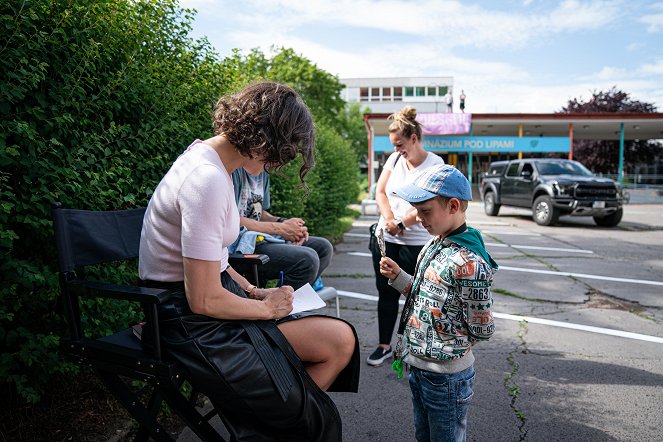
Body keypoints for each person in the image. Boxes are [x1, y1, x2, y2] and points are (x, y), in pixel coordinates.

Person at [138, 82, 359, 441]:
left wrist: (254, 290)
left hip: (208, 306)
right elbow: (203, 299)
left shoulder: (214, 165)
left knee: (340, 340)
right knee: (311, 415)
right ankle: (282, 421)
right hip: (187, 321)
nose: (279, 163)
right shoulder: (206, 179)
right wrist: (269, 310)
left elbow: (217, 260)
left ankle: (274, 421)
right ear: (263, 138)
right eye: (282, 153)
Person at [379, 164, 498, 442]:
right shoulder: (433, 244)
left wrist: (452, 345)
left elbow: (483, 328)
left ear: (453, 205)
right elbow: (423, 293)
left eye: (425, 210)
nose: (418, 218)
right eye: (417, 210)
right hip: (420, 368)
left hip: (447, 378)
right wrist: (398, 277)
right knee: (424, 435)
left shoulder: (469, 262)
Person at [367, 105, 445, 366]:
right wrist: (389, 219)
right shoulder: (395, 160)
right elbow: (380, 192)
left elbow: (431, 204)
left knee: (417, 295)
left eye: (400, 144)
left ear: (414, 138)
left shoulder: (435, 164)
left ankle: (412, 347)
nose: (396, 150)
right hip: (386, 238)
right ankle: (384, 345)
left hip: (416, 242)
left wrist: (402, 223)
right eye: (393, 145)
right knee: (386, 293)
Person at [231, 168, 333, 289]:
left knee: (323, 247)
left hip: (258, 236)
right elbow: (232, 219)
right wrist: (280, 228)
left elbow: (258, 212)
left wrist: (285, 223)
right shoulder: (235, 171)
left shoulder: (262, 172)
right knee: (307, 260)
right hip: (238, 244)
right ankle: (274, 304)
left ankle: (292, 301)